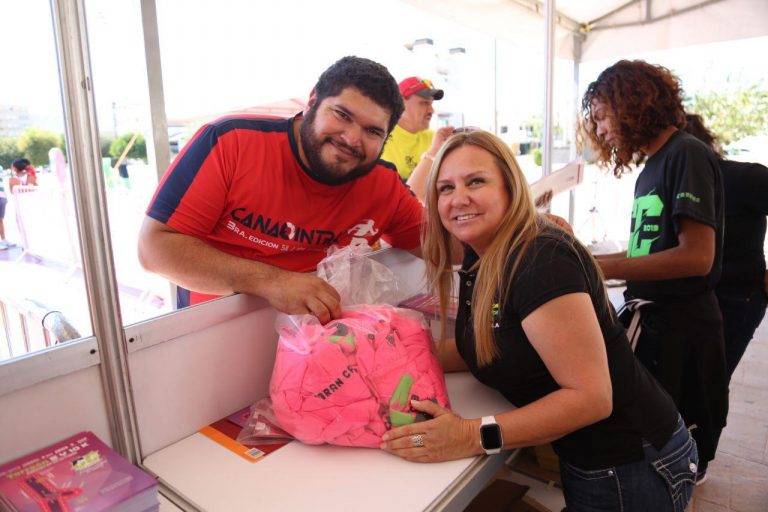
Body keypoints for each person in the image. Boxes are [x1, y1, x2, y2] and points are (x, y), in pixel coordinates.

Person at [380, 130, 697, 511]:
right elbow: (486, 345)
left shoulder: (539, 259)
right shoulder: (482, 255)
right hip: (594, 458)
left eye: (475, 181)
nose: (458, 198)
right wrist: (386, 358)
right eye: (445, 188)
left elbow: (591, 399)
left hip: (629, 461)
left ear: (510, 188)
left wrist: (467, 435)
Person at [138, 56, 425, 319]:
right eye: (342, 115)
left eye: (372, 131)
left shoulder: (384, 185)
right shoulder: (232, 142)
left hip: (323, 346)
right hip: (211, 335)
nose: (351, 138)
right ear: (313, 101)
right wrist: (273, 281)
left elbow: (440, 247)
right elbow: (154, 248)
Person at [581, 60, 728, 483]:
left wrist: (605, 265)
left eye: (604, 115)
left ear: (632, 105)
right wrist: (601, 262)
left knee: (676, 450)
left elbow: (696, 256)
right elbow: (652, 245)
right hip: (654, 324)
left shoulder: (687, 154)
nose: (602, 130)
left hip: (683, 329)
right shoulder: (652, 167)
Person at [685, 113, 768, 381]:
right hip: (689, 301)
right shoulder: (670, 184)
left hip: (736, 298)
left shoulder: (742, 178)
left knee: (710, 389)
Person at [380, 76, 453, 197]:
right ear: (400, 104)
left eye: (431, 104)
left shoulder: (436, 138)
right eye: (424, 103)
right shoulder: (381, 137)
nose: (431, 110)